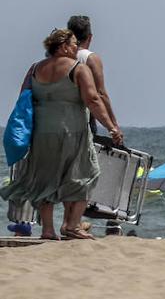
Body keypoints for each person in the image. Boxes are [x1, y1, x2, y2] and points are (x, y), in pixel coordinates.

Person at [0, 29, 122, 240]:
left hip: (42, 134)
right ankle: (72, 225)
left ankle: (48, 230)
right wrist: (111, 127)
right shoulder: (79, 69)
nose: (77, 48)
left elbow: (23, 96)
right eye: (74, 44)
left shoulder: (35, 68)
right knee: (87, 175)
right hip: (72, 133)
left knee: (45, 181)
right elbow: (93, 100)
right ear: (63, 46)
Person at [65, 15, 120, 138]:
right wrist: (113, 126)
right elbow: (100, 94)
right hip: (83, 121)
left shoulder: (59, 57)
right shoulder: (90, 58)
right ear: (89, 37)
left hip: (58, 120)